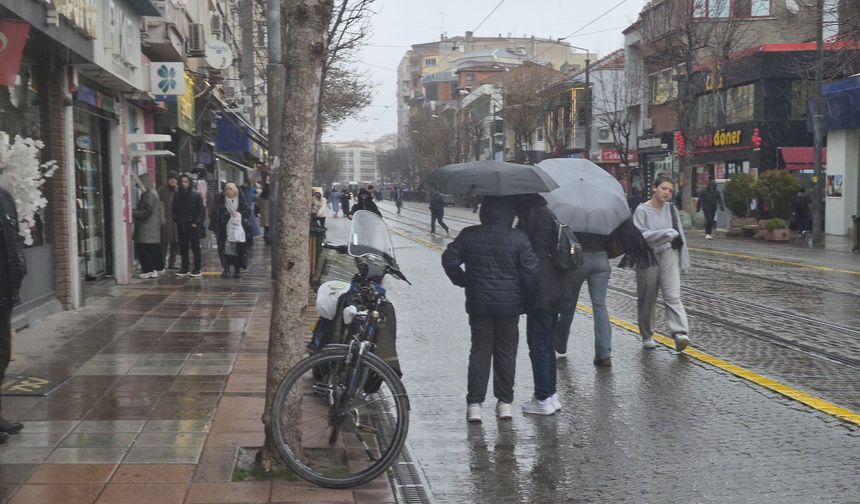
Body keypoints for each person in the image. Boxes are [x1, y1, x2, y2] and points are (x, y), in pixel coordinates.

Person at [442, 196, 540, 423]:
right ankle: (504, 403)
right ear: (510, 215)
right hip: (509, 306)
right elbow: (531, 272)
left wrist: (464, 280)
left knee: (479, 352)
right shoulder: (519, 239)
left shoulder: (469, 234)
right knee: (506, 353)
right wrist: (523, 294)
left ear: (483, 212)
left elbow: (449, 259)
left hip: (479, 303)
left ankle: (474, 405)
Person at [514, 194, 574, 416]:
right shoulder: (548, 214)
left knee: (538, 343)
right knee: (547, 342)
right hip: (556, 286)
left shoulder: (531, 217)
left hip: (541, 289)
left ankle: (541, 398)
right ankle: (550, 394)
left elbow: (522, 248)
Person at [634, 175, 691, 352]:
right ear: (654, 188)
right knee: (647, 297)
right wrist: (665, 234)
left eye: (670, 190)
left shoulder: (672, 209)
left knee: (673, 295)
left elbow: (679, 235)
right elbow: (640, 236)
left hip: (669, 255)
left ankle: (680, 332)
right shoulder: (641, 210)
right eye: (664, 188)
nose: (667, 193)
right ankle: (647, 334)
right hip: (648, 257)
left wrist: (683, 259)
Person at [0, 187, 26, 442]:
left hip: (5, 291)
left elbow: (14, 238)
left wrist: (20, 267)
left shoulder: (5, 197)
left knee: (3, 354)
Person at [211, 182, 251, 278]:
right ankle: (226, 268)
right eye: (227, 189)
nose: (228, 191)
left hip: (237, 230)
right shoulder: (220, 202)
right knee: (224, 249)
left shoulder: (240, 201)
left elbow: (248, 212)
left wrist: (239, 214)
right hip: (223, 230)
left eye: (231, 189)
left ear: (235, 191)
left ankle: (237, 269)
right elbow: (214, 214)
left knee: (238, 249)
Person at [173, 173, 206, 277]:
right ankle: (184, 267)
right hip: (181, 224)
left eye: (186, 182)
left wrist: (196, 222)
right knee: (183, 247)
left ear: (190, 182)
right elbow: (173, 209)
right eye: (182, 182)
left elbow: (201, 210)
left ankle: (197, 268)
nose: (184, 184)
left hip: (193, 225)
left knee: (195, 247)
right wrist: (177, 219)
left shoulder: (196, 195)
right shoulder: (177, 194)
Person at [132, 174, 163, 279]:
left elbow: (147, 212)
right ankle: (152, 269)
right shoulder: (153, 193)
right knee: (149, 250)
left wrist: (133, 213)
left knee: (144, 250)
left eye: (138, 184)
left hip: (147, 228)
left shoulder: (149, 195)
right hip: (151, 228)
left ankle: (148, 270)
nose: (137, 187)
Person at [158, 171, 179, 269]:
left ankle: (172, 263)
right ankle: (161, 263)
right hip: (165, 221)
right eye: (171, 179)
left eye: (174, 180)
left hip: (175, 222)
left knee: (175, 244)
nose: (173, 181)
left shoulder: (178, 191)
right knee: (163, 244)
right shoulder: (161, 191)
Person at [244, 178, 259, 247]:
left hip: (245, 212)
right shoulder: (251, 192)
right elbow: (256, 199)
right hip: (250, 211)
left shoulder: (245, 191)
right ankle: (250, 242)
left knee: (246, 227)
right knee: (251, 227)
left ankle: (247, 241)